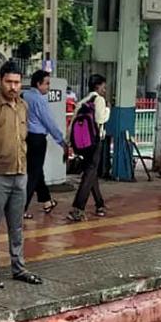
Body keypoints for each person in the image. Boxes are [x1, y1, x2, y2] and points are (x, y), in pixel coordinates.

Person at [0, 60, 42, 289]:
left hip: (20, 173)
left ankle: (19, 267)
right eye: (9, 82)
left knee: (16, 225)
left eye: (17, 82)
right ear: (0, 81)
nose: (13, 87)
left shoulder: (23, 106)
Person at [22, 70, 67, 219]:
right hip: (38, 139)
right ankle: (22, 208)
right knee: (33, 174)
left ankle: (47, 201)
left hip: (26, 137)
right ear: (38, 83)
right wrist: (61, 140)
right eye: (46, 83)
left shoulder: (24, 95)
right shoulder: (39, 100)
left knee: (36, 169)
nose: (48, 87)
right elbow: (49, 122)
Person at [66, 73, 110, 222]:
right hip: (94, 142)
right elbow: (100, 119)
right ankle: (78, 208)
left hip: (81, 144)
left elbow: (72, 123)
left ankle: (100, 204)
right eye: (104, 86)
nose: (105, 89)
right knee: (89, 173)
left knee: (91, 173)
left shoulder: (83, 101)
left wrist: (69, 142)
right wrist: (108, 110)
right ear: (98, 86)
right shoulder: (99, 100)